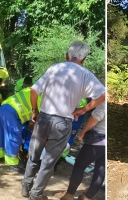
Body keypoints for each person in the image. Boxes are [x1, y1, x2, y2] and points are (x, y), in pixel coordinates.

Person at [21, 41, 105, 200]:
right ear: (84, 59)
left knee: (34, 154)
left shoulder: (55, 68)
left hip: (43, 118)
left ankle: (26, 186)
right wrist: (83, 110)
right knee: (48, 161)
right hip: (62, 123)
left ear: (67, 55)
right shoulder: (86, 75)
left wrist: (35, 110)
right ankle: (36, 195)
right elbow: (104, 95)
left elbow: (34, 90)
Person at [60, 102, 105, 200]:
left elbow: (95, 117)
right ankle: (87, 197)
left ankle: (69, 195)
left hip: (97, 141)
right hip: (106, 144)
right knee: (100, 170)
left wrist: (83, 133)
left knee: (79, 166)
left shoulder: (104, 103)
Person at [0, 87, 41, 174]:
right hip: (12, 110)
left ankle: (1, 156)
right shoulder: (44, 97)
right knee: (14, 136)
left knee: (3, 135)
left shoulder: (39, 90)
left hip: (6, 107)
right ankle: (12, 164)